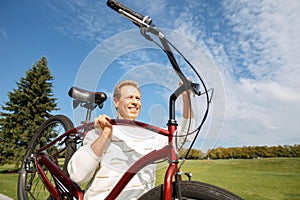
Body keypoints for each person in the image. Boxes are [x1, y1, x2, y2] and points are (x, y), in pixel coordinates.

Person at [67, 80, 195, 200]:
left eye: (138, 98)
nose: (135, 102)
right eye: (129, 97)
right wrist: (105, 135)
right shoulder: (98, 131)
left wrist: (186, 99)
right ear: (116, 102)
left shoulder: (151, 136)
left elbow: (184, 138)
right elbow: (78, 176)